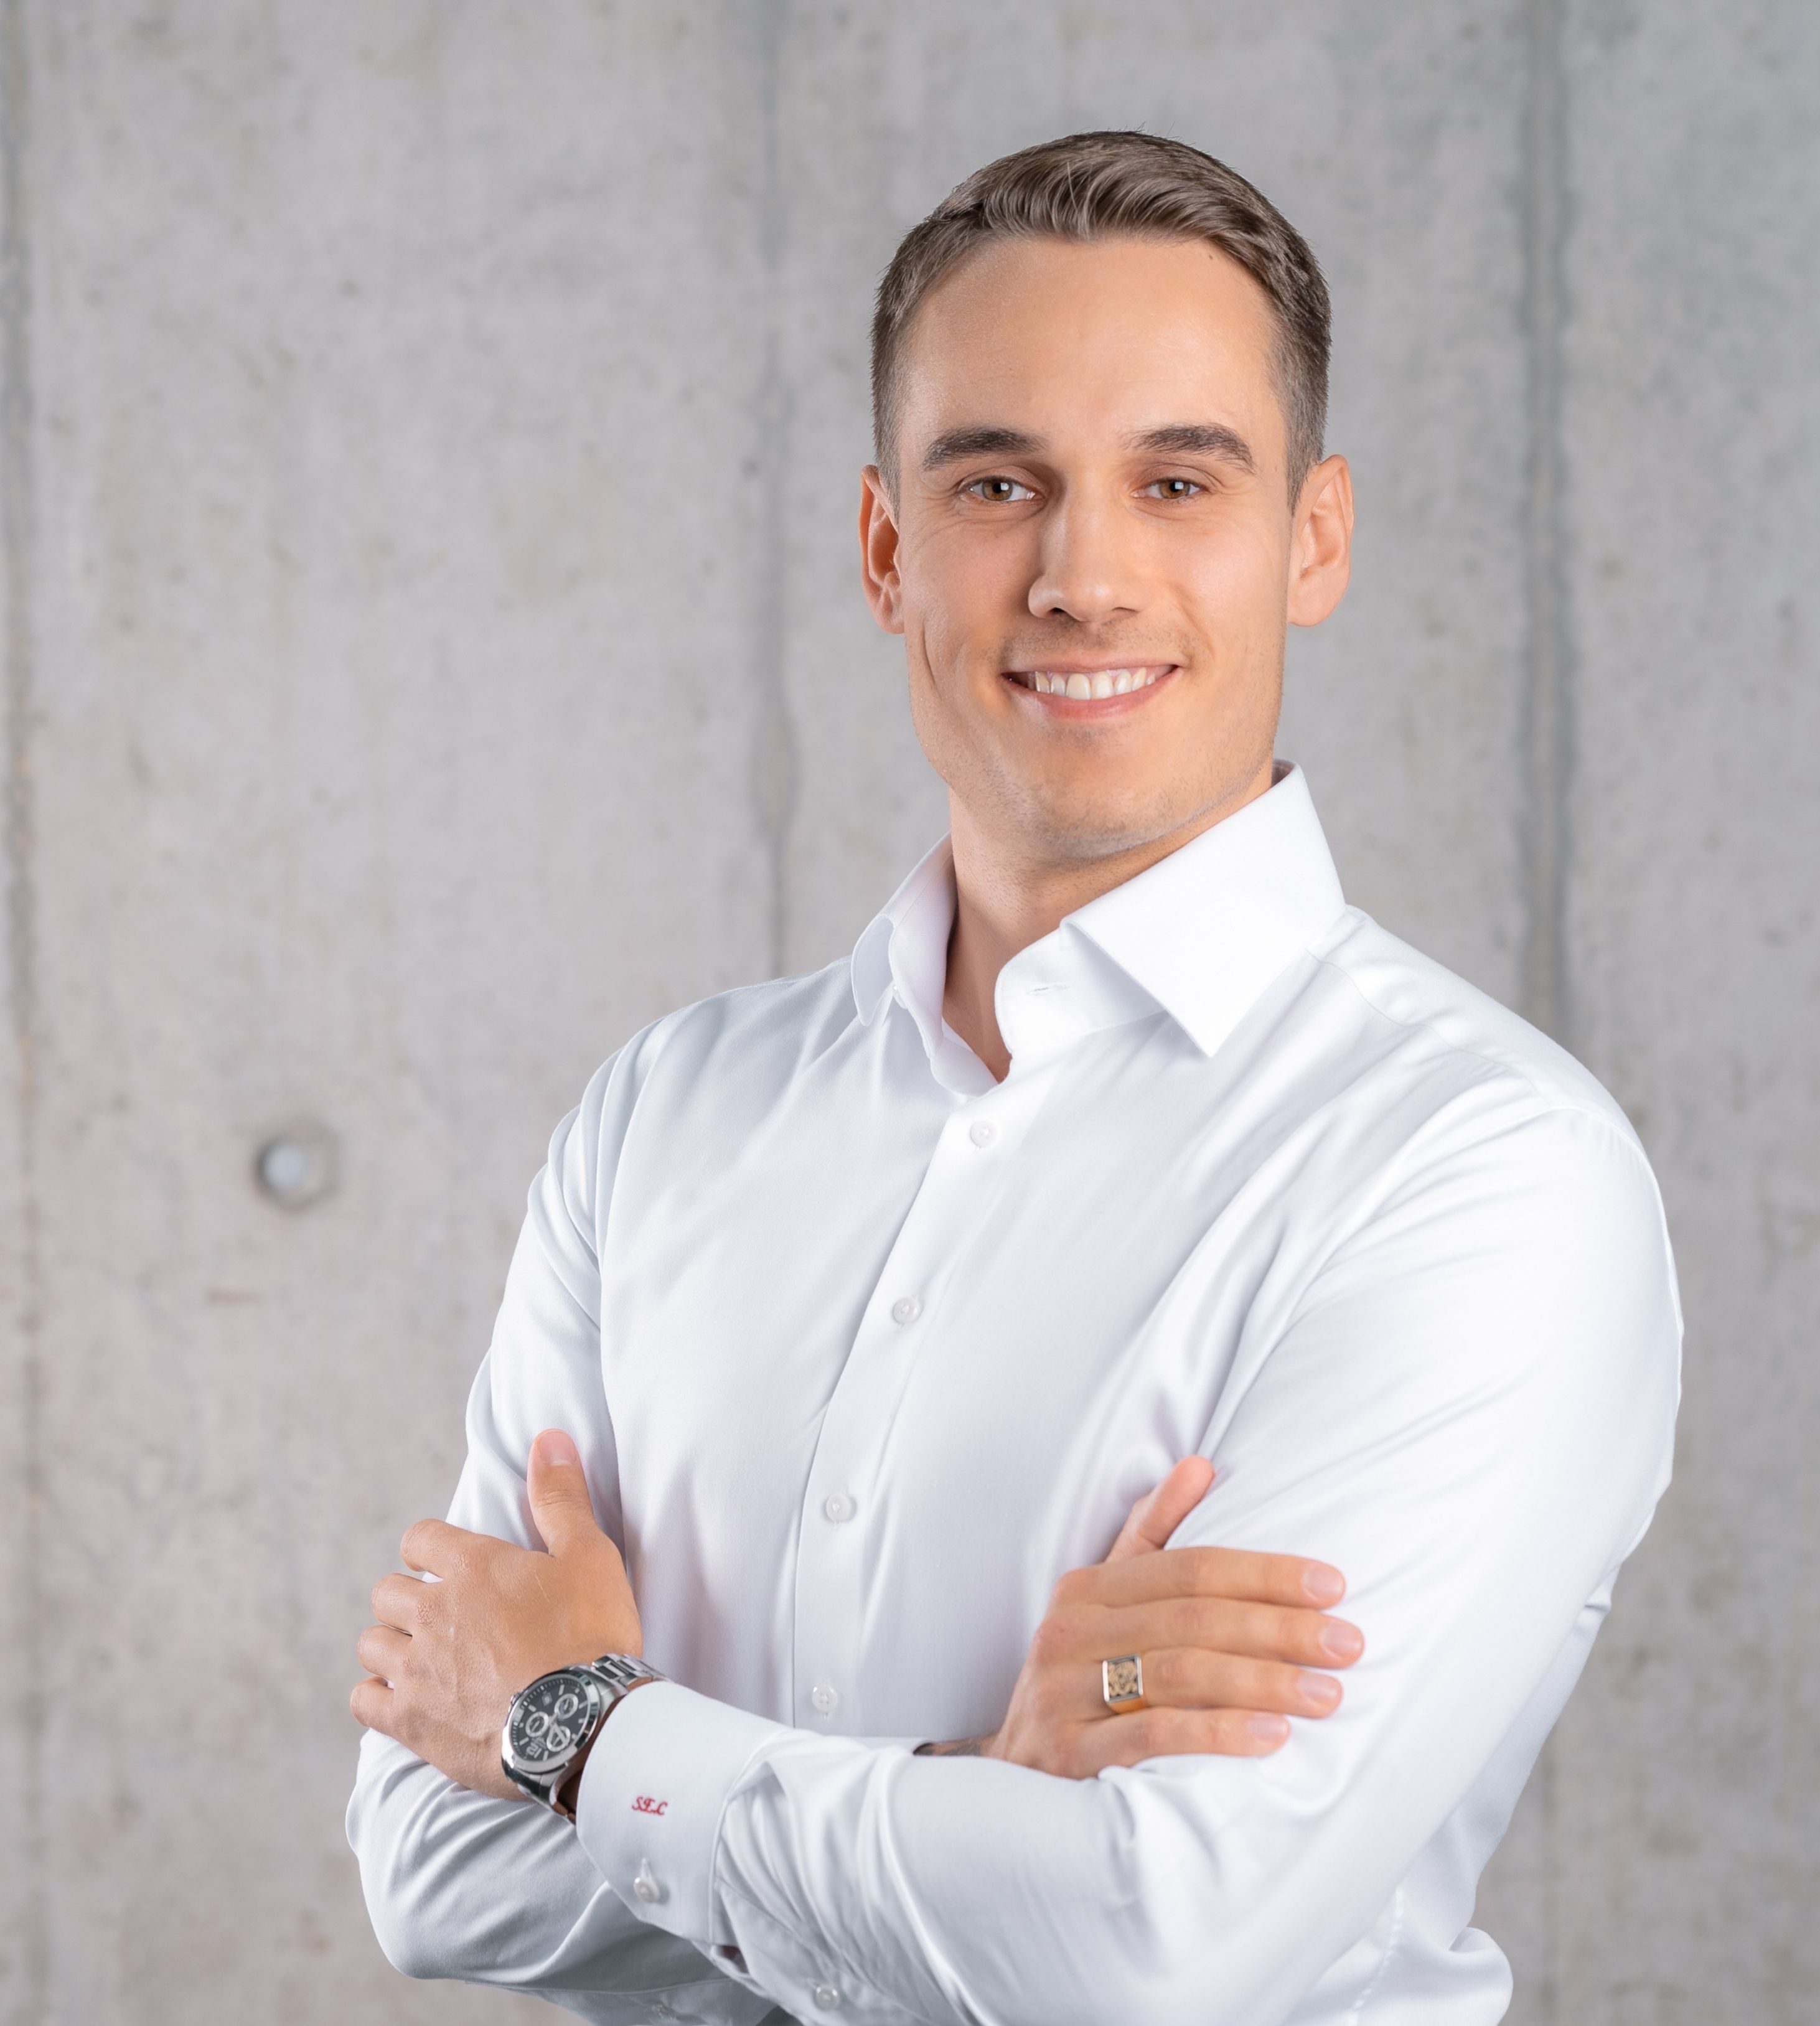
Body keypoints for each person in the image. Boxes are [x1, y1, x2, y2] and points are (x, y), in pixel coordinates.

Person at [340, 130, 1682, 2025]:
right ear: (886, 548)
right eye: (997, 483)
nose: (1084, 575)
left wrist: (580, 1733)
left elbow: (1145, 1950)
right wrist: (973, 1795)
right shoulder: (670, 1115)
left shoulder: (1481, 1171)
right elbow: (431, 1865)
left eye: (1178, 482)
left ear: (1314, 540)